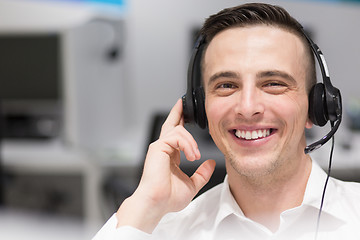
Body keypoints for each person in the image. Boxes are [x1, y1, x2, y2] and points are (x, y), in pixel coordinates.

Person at [93, 3, 360, 239]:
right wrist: (144, 205)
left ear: (316, 107)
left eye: (274, 84)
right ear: (199, 109)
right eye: (226, 85)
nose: (247, 108)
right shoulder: (163, 231)